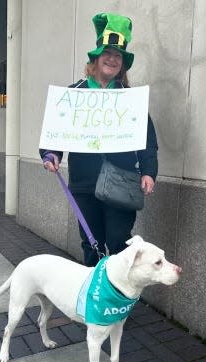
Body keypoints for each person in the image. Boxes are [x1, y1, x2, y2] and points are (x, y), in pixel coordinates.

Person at [40, 13, 158, 267]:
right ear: (95, 58)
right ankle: (94, 299)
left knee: (119, 244)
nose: (112, 59)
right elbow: (58, 132)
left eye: (118, 56)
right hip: (85, 183)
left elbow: (147, 139)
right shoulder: (75, 93)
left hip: (122, 181)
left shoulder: (131, 99)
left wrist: (149, 171)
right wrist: (51, 154)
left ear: (122, 64)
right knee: (91, 243)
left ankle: (115, 301)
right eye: (107, 53)